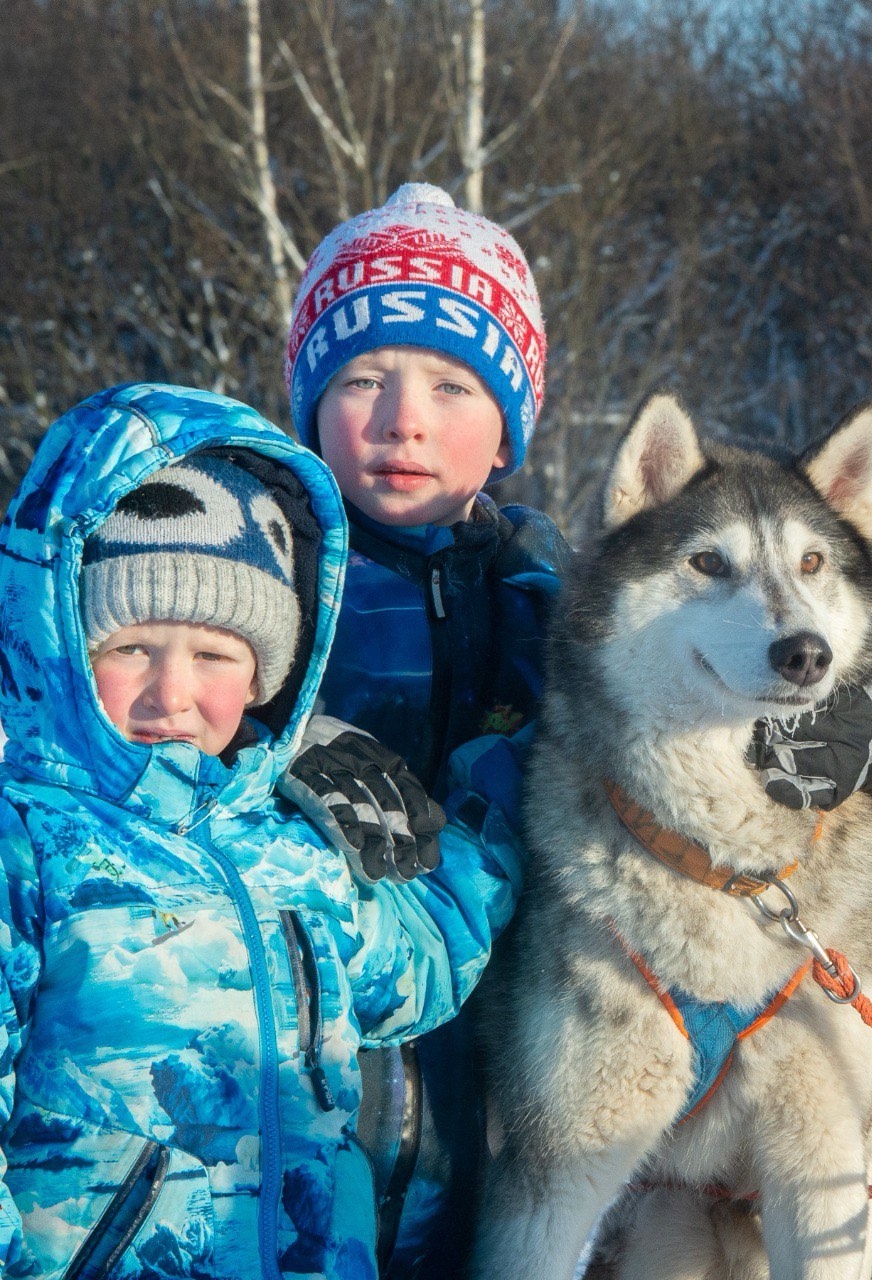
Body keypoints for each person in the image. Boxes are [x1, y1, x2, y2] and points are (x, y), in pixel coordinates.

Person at [283, 182, 872, 1276]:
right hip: (328, 1023)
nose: (403, 419)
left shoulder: (543, 591)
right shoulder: (268, 578)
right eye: (360, 379)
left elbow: (828, 638)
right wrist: (289, 750)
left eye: (451, 384)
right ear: (308, 405)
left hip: (492, 998)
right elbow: (150, 704)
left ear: (507, 430)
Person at [0, 382, 524, 1278]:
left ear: (266, 674)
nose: (172, 692)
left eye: (214, 655)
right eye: (131, 648)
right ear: (64, 646)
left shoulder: (299, 849)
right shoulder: (29, 845)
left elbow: (424, 961)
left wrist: (511, 787)